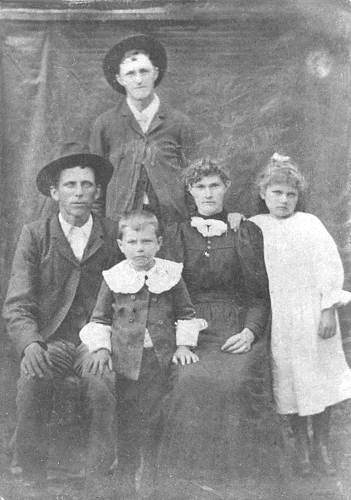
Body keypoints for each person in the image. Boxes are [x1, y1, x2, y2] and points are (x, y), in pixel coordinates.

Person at [2, 143, 122, 499]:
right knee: (33, 375)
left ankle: (101, 477)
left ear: (98, 191)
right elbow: (17, 302)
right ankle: (28, 472)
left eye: (87, 185)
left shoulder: (113, 233)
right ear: (55, 192)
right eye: (70, 185)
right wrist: (31, 343)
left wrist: (105, 343)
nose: (79, 193)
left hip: (94, 340)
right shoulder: (35, 234)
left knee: (102, 383)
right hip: (50, 338)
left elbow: (130, 299)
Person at [157, 158, 271, 493]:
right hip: (190, 330)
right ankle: (189, 485)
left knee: (235, 384)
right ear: (190, 191)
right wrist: (181, 339)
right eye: (200, 187)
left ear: (226, 188)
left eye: (214, 186)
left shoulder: (245, 231)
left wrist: (250, 332)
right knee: (188, 381)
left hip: (235, 326)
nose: (208, 194)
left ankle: (237, 485)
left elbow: (259, 296)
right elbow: (167, 295)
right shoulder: (175, 234)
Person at [79, 209, 206, 498]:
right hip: (125, 361)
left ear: (159, 243)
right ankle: (125, 466)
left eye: (147, 242)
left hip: (157, 359)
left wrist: (184, 345)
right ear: (122, 245)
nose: (140, 249)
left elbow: (187, 313)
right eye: (133, 242)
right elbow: (99, 318)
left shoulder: (169, 274)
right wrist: (100, 348)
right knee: (125, 414)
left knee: (154, 413)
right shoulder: (114, 278)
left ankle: (149, 468)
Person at [250, 152, 351, 477]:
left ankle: (320, 443)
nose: (284, 200)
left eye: (291, 194)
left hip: (313, 313)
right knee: (291, 380)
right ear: (263, 193)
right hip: (281, 317)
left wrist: (327, 311)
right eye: (277, 193)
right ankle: (300, 448)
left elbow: (329, 268)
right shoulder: (255, 227)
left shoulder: (309, 224)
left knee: (320, 376)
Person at [90, 34, 197, 224]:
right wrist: (101, 224)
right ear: (120, 79)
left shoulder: (179, 122)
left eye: (144, 71)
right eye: (130, 74)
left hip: (172, 222)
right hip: (121, 223)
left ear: (155, 73)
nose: (138, 80)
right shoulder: (105, 124)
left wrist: (191, 221)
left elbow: (194, 178)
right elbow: (95, 181)